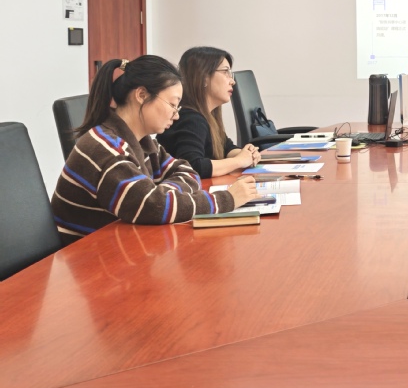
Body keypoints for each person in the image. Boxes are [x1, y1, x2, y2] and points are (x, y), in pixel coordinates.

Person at [51, 56, 260, 245]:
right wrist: (227, 199)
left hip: (119, 244)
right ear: (142, 95)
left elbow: (187, 171)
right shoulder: (107, 149)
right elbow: (153, 206)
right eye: (172, 105)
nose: (176, 115)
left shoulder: (143, 142)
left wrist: (163, 194)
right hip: (87, 257)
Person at [157, 47, 260, 178]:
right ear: (204, 77)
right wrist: (239, 161)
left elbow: (226, 147)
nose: (232, 81)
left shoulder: (206, 115)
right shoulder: (190, 118)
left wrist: (247, 153)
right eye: (225, 72)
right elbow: (192, 166)